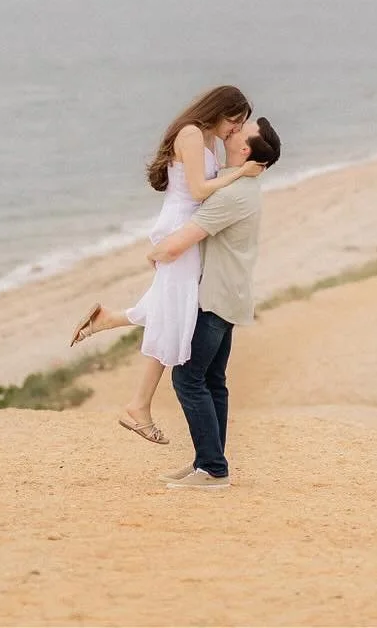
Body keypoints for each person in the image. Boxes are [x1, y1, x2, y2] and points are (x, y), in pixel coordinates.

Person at [69, 86, 264, 445]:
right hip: (181, 227)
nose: (235, 131)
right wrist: (242, 174)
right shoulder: (191, 134)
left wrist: (234, 164)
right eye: (234, 122)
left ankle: (109, 323)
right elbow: (201, 190)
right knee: (176, 313)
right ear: (221, 111)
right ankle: (138, 406)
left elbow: (213, 179)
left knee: (172, 308)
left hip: (192, 227)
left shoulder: (207, 137)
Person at [154, 115, 282, 490]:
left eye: (243, 130)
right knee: (212, 380)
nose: (235, 129)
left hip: (215, 298)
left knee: (187, 378)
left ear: (244, 149)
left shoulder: (232, 194)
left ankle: (212, 467)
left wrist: (156, 253)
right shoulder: (240, 186)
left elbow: (178, 244)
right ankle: (206, 461)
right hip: (230, 294)